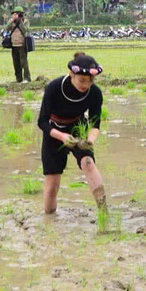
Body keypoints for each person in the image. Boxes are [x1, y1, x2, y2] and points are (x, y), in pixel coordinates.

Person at [38, 52, 107, 215]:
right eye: (82, 80)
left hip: (77, 127)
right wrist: (62, 136)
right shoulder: (54, 88)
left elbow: (95, 124)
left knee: (88, 162)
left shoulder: (95, 93)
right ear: (71, 74)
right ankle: (49, 218)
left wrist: (89, 141)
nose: (86, 85)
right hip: (54, 131)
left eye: (90, 81)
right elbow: (42, 121)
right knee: (52, 183)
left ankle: (104, 213)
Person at [5, 8, 31, 83]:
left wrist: (20, 22)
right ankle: (18, 78)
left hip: (22, 45)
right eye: (14, 14)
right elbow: (7, 28)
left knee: (24, 62)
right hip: (14, 45)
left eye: (17, 14)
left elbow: (25, 30)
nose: (15, 15)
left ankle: (27, 78)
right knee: (16, 63)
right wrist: (12, 21)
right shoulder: (11, 21)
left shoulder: (25, 21)